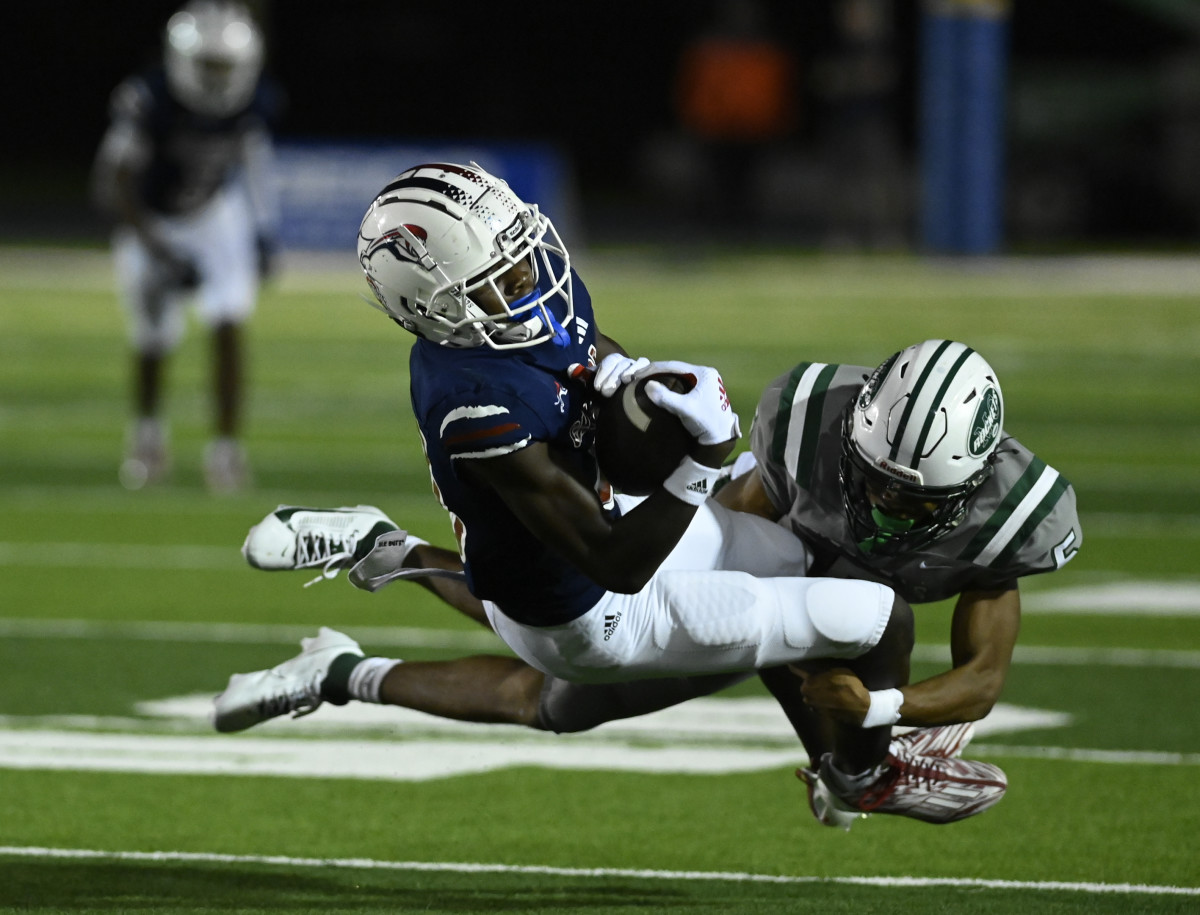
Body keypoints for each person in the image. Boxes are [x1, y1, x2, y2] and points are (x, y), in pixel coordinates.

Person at [213, 163, 1010, 828]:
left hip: (557, 551)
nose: (535, 281)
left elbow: (592, 353)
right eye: (505, 279)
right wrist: (702, 460)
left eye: (526, 257)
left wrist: (636, 378)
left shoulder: (519, 308)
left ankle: (366, 587)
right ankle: (860, 776)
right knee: (874, 616)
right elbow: (615, 562)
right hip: (591, 610)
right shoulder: (475, 401)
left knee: (804, 564)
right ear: (435, 307)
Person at [91, 1, 281, 492]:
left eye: (225, 66)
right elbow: (113, 184)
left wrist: (262, 230)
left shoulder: (252, 101)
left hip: (214, 214)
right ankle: (148, 438)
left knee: (229, 322)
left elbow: (253, 160)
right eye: (208, 65)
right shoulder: (149, 99)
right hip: (150, 221)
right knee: (153, 339)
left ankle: (226, 452)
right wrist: (159, 251)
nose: (217, 78)